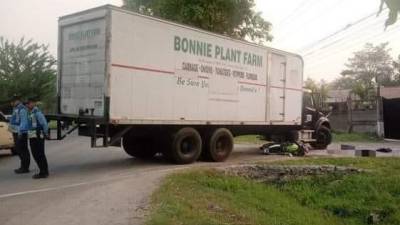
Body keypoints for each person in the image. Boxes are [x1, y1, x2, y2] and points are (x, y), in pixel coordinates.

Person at [26, 98, 49, 179]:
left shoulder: (37, 113)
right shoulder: (30, 113)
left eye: (29, 103)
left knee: (40, 154)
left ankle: (44, 172)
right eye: (27, 104)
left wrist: (46, 133)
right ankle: (42, 171)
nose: (27, 105)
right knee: (35, 154)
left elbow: (44, 123)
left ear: (33, 103)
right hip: (33, 136)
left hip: (38, 136)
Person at [9, 95, 30, 174]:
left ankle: (25, 167)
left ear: (17, 101)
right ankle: (23, 166)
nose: (11, 103)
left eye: (12, 102)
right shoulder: (16, 108)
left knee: (22, 150)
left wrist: (20, 132)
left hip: (20, 133)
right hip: (16, 132)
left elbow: (23, 122)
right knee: (19, 149)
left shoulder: (22, 109)